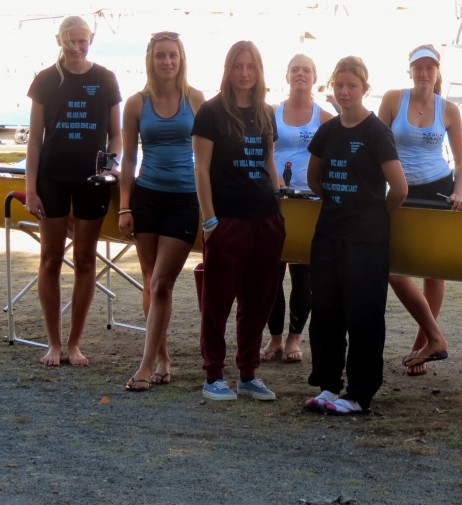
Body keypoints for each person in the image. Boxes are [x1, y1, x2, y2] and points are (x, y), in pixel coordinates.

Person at [304, 56, 408, 415]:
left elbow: (399, 188)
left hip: (366, 241)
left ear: (365, 88)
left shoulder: (377, 132)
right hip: (329, 234)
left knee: (363, 316)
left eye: (352, 86)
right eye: (339, 85)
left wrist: (373, 213)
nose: (345, 92)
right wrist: (338, 204)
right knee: (327, 312)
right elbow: (314, 178)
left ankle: (360, 394)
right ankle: (329, 385)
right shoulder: (328, 131)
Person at [25, 16, 122, 367]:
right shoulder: (46, 80)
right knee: (50, 259)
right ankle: (52, 342)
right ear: (59, 40)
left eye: (84, 41)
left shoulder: (105, 78)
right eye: (71, 41)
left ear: (91, 39)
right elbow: (34, 140)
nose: (79, 47)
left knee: (85, 259)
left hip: (91, 182)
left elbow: (117, 134)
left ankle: (74, 342)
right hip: (52, 179)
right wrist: (30, 188)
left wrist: (113, 164)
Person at [192, 40, 285, 401]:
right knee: (217, 301)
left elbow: (269, 163)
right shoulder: (211, 112)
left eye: (251, 67)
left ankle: (248, 373)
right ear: (228, 69)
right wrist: (209, 219)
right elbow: (201, 168)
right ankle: (213, 375)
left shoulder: (265, 112)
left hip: (265, 217)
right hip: (226, 219)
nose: (244, 73)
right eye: (238, 66)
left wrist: (277, 202)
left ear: (259, 71)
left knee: (259, 299)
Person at [119, 32, 206, 391]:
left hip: (184, 199)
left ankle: (143, 366)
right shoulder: (137, 103)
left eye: (173, 55)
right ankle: (162, 358)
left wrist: (210, 205)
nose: (167, 62)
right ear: (150, 60)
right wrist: (125, 205)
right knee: (150, 280)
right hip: (146, 197)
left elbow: (207, 157)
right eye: (160, 56)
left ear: (181, 59)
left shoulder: (196, 100)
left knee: (161, 283)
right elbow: (127, 159)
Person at [378, 44, 462, 376]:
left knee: (433, 271)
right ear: (410, 69)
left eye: (430, 67)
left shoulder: (449, 109)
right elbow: (376, 144)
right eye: (419, 67)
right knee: (393, 269)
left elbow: (461, 162)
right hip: (401, 189)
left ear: (437, 72)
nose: (424, 72)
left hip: (438, 189)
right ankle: (434, 337)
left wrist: (459, 192)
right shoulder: (392, 99)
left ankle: (422, 347)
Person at [259, 54, 333, 365]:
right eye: (294, 70)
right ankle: (274, 337)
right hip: (275, 200)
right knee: (270, 274)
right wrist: (275, 181)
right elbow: (265, 151)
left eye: (306, 70)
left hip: (309, 204)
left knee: (303, 276)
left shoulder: (325, 118)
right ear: (287, 76)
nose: (300, 75)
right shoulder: (271, 113)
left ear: (315, 78)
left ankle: (294, 337)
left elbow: (333, 157)